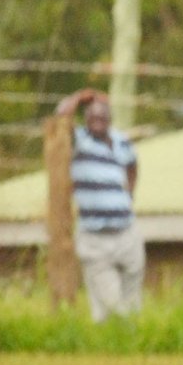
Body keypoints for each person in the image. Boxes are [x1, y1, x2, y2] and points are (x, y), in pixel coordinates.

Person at [54, 88, 145, 322]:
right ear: (86, 119)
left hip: (126, 232)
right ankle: (125, 337)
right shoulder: (80, 141)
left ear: (110, 119)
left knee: (131, 300)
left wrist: (129, 195)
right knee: (112, 302)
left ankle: (118, 346)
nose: (97, 122)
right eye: (92, 117)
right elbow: (60, 119)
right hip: (95, 238)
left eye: (102, 117)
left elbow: (133, 166)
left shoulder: (121, 140)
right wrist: (78, 98)